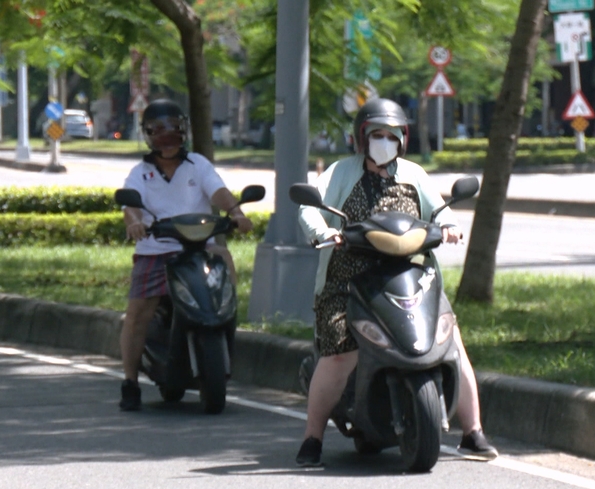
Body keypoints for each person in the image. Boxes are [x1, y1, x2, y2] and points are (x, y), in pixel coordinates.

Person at [295, 98, 499, 466]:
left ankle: (473, 432)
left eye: (391, 135)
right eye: (376, 134)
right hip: (348, 278)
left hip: (411, 275)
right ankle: (312, 437)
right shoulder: (341, 173)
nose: (383, 141)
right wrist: (323, 231)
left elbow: (439, 208)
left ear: (403, 138)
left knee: (451, 343)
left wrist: (450, 227)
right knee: (340, 351)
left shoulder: (413, 174)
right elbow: (311, 208)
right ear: (362, 137)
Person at [118, 98, 252, 411]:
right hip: (156, 250)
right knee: (138, 312)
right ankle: (129, 381)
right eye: (159, 133)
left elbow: (219, 192)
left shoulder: (199, 165)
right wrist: (135, 223)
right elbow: (131, 205)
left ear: (184, 133)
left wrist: (236, 212)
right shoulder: (141, 172)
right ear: (149, 136)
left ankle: (227, 320)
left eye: (174, 132)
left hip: (199, 246)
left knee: (224, 257)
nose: (167, 140)